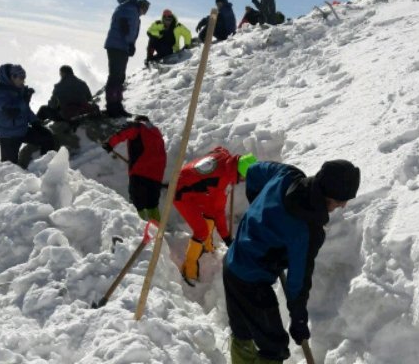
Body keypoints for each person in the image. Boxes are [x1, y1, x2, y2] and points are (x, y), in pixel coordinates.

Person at [223, 160, 360, 363]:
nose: (343, 206)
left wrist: (258, 208)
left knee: (243, 331)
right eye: (340, 201)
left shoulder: (287, 174)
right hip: (252, 281)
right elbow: (298, 279)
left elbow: (252, 172)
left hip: (232, 262)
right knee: (274, 347)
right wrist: (298, 318)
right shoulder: (308, 230)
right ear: (327, 196)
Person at [174, 147, 257, 286]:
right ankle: (189, 269)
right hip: (180, 192)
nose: (242, 181)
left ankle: (207, 246)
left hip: (188, 182)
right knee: (201, 230)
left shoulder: (225, 157)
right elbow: (218, 212)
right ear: (239, 172)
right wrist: (226, 238)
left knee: (209, 211)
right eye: (243, 178)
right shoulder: (221, 181)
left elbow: (218, 149)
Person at [102, 115, 166, 222]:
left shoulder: (138, 127)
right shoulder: (156, 133)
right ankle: (157, 228)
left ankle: (140, 229)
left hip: (140, 173)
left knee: (138, 203)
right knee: (152, 204)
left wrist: (110, 143)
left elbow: (126, 130)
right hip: (157, 175)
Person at [0, 64, 55, 166]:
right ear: (12, 77)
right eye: (21, 78)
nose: (23, 81)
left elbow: (25, 109)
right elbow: (10, 112)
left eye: (24, 78)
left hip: (22, 130)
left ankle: (46, 166)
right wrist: (24, 100)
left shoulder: (19, 89)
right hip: (8, 135)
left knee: (47, 137)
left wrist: (34, 121)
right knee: (8, 167)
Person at [104, 0, 150, 118]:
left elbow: (127, 28)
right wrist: (129, 42)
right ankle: (111, 106)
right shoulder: (129, 9)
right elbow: (125, 26)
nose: (144, 13)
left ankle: (117, 105)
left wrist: (130, 44)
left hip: (120, 46)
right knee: (115, 76)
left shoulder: (130, 9)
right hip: (117, 46)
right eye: (145, 10)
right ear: (141, 6)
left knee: (119, 76)